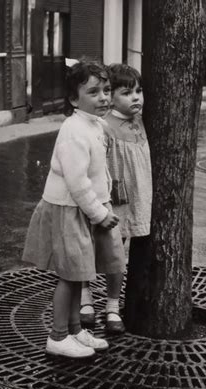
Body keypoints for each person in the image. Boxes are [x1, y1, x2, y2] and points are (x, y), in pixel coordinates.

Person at [22, 60, 126, 358]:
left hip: (82, 208)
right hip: (70, 209)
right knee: (69, 276)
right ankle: (57, 337)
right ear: (73, 99)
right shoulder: (74, 131)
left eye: (107, 90)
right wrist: (99, 213)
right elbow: (77, 181)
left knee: (79, 273)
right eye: (94, 92)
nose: (104, 98)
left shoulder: (93, 124)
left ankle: (75, 329)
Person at [80, 64, 152, 327]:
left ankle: (112, 305)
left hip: (136, 198)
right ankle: (84, 297)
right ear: (111, 97)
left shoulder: (141, 120)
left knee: (119, 254)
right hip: (109, 201)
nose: (135, 98)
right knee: (89, 247)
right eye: (126, 93)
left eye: (138, 91)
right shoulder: (104, 126)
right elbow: (96, 165)